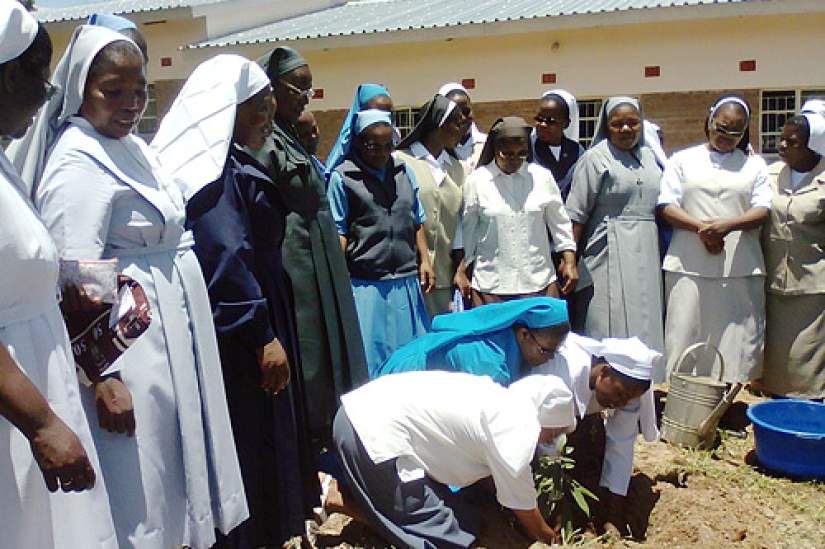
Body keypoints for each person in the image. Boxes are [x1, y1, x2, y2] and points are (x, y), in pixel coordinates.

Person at [12, 26, 248, 548]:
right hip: (127, 348)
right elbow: (75, 281)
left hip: (168, 336)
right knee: (137, 474)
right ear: (81, 90)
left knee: (169, 463)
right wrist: (104, 375)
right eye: (112, 90)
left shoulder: (134, 147)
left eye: (138, 89)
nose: (129, 102)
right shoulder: (78, 158)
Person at [151, 54, 320, 548]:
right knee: (249, 434)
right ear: (229, 109)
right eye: (260, 108)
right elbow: (227, 258)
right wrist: (262, 334)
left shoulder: (232, 161)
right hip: (241, 335)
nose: (269, 117)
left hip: (257, 314)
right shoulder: (214, 176)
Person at [0, 5, 117, 547]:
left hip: (36, 383)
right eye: (42, 78)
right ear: (8, 75)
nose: (49, 94)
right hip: (16, 405)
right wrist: (42, 423)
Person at [251, 46, 368, 445]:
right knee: (310, 352)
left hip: (321, 259)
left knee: (333, 342)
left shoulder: (294, 137)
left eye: (309, 89)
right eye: (297, 87)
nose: (304, 96)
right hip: (295, 262)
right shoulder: (265, 141)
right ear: (271, 87)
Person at [332, 370, 576, 548]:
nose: (548, 442)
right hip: (370, 435)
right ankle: (339, 500)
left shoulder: (500, 402)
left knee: (463, 519)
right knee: (440, 534)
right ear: (543, 421)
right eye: (552, 433)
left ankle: (357, 500)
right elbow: (522, 506)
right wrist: (552, 540)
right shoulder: (515, 428)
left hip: (361, 417)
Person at [658, 96, 771, 383]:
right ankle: (683, 399)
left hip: (738, 266)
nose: (726, 137)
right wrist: (702, 229)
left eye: (736, 132)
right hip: (688, 262)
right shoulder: (681, 160)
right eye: (721, 128)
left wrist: (728, 226)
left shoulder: (754, 166)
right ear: (708, 122)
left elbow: (763, 209)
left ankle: (727, 401)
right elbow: (666, 205)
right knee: (685, 331)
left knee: (733, 338)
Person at [328, 109, 433, 375]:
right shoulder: (343, 178)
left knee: (411, 361)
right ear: (359, 142)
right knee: (371, 363)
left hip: (405, 283)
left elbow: (416, 218)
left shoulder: (403, 172)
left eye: (388, 145)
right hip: (366, 286)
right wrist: (338, 282)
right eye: (374, 146)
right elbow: (339, 230)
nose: (382, 153)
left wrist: (425, 259)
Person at [566, 97, 665, 361]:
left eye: (632, 123)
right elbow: (576, 214)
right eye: (617, 124)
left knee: (645, 315)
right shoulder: (594, 158)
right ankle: (605, 382)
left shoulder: (650, 157)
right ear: (606, 126)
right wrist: (569, 260)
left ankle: (643, 380)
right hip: (606, 246)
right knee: (607, 318)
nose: (625, 129)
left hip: (646, 246)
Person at [533, 334, 661, 537]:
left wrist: (614, 517)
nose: (621, 403)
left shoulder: (627, 393)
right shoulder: (564, 373)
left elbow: (621, 446)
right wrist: (552, 513)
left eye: (628, 399)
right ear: (604, 372)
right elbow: (545, 444)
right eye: (619, 394)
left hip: (571, 421)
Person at [456, 116, 577, 306]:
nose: (515, 159)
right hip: (492, 286)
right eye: (508, 154)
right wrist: (462, 269)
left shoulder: (542, 178)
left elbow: (560, 224)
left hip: (539, 282)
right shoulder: (477, 181)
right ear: (495, 150)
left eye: (521, 154)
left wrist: (569, 261)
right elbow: (468, 230)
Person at [759, 114, 825, 398]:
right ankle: (776, 406)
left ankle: (808, 406)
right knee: (775, 353)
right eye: (780, 139)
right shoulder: (771, 174)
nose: (782, 145)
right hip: (771, 278)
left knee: (805, 355)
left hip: (811, 282)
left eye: (792, 141)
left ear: (814, 144)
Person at [375, 297, 570, 385]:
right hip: (399, 385)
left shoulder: (507, 345)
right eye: (546, 351)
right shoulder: (488, 364)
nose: (550, 359)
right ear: (524, 335)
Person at [396, 94, 467, 316]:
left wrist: (460, 268)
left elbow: (461, 223)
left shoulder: (457, 168)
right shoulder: (401, 161)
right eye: (456, 123)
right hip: (409, 273)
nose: (460, 130)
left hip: (445, 277)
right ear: (440, 124)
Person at [325, 83, 394, 178]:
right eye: (375, 113)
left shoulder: (401, 172)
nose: (382, 118)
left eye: (388, 113)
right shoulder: (342, 177)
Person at [531, 89, 584, 199]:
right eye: (539, 119)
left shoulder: (577, 152)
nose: (543, 125)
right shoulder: (526, 149)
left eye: (550, 121)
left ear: (565, 123)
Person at [438, 82, 486, 169]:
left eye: (466, 111)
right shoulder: (436, 150)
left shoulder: (487, 145)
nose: (463, 118)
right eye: (454, 113)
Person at [295, 109, 325, 176]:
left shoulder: (318, 164)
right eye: (304, 135)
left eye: (314, 130)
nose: (313, 137)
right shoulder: (300, 171)